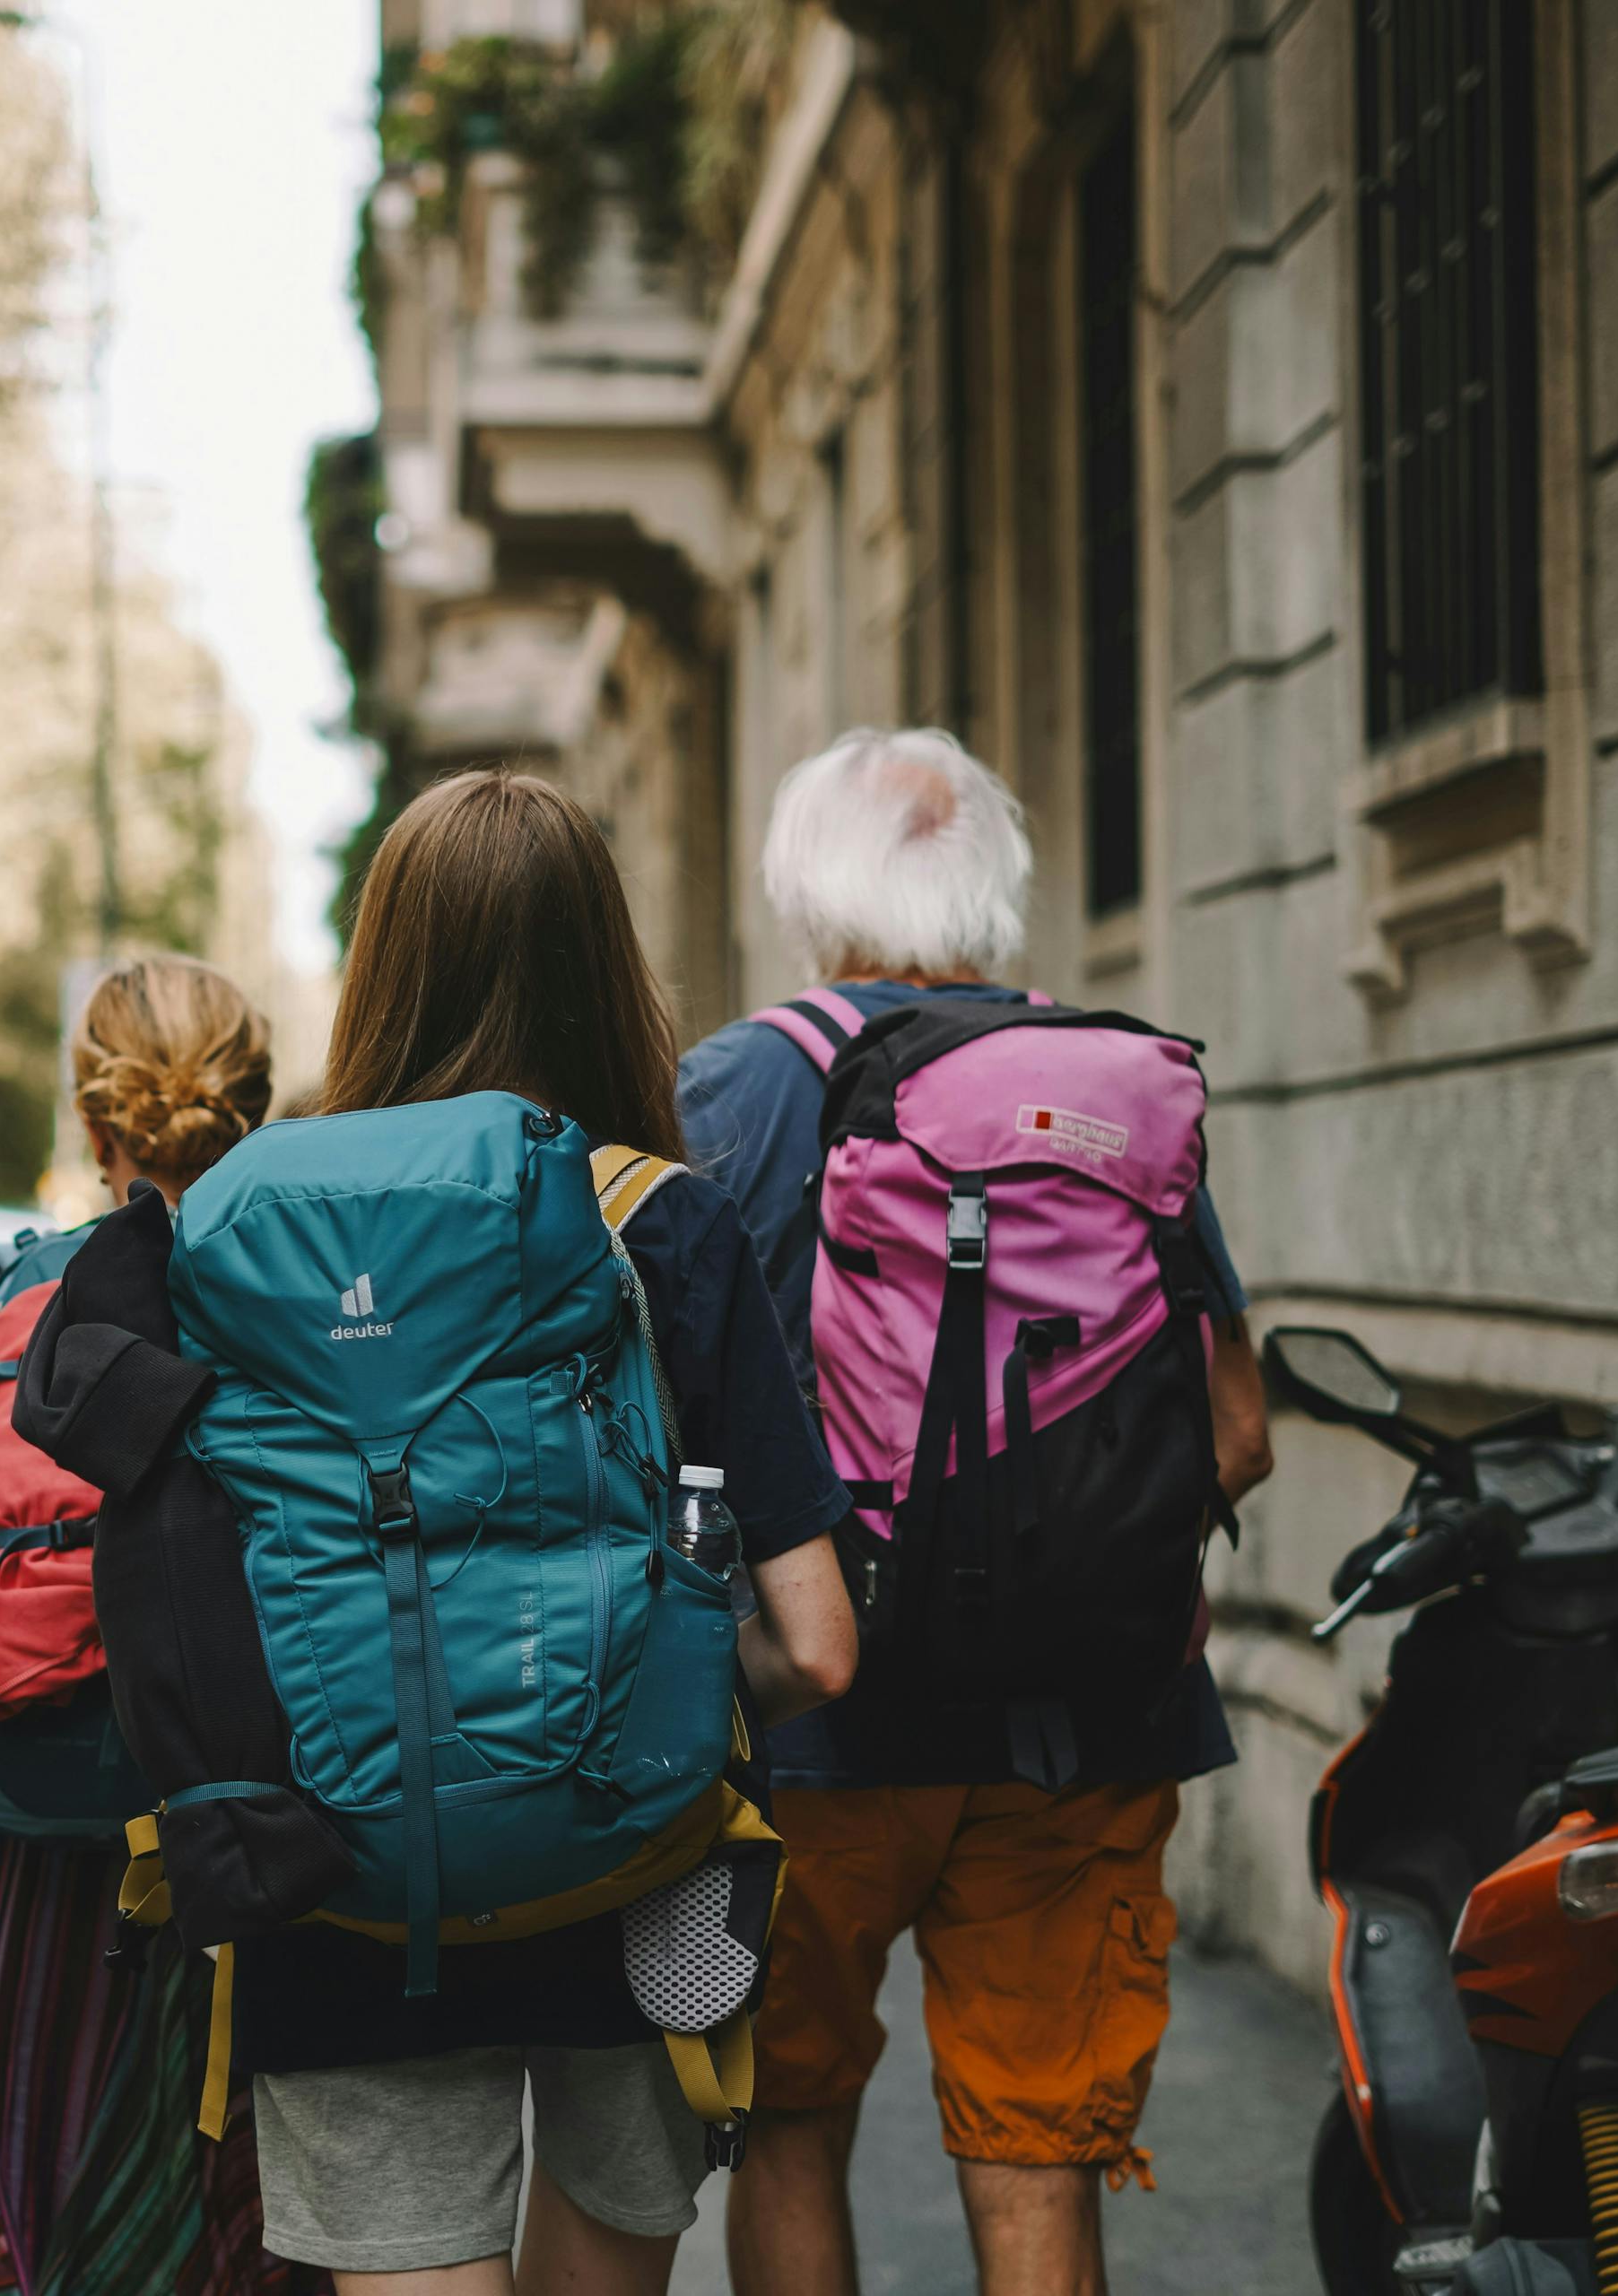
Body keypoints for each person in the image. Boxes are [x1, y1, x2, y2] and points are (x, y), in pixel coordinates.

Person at [231, 769, 861, 2296]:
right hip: (639, 1879)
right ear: (605, 964)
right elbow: (822, 1649)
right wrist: (654, 1697)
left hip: (340, 1878)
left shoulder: (255, 1226)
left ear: (385, 966)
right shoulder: (668, 1222)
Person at [680, 728, 1275, 2296]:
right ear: (994, 891)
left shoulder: (743, 1086)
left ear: (807, 893)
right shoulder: (1112, 1086)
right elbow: (1238, 1428)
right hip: (1088, 1731)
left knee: (791, 2124)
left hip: (819, 1728)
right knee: (1037, 2163)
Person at [0, 954, 318, 2296]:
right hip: (257, 1828)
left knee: (65, 2199)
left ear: (93, 1120)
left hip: (30, 1833)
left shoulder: (0, 1296)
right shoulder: (304, 1296)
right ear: (254, 1102)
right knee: (265, 2210)